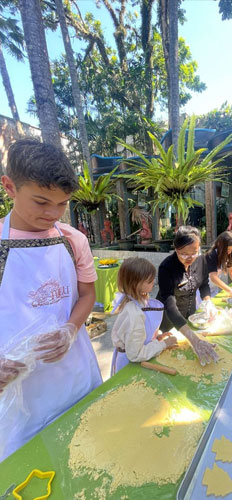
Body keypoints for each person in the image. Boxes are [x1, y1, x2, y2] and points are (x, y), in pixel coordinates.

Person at [0, 139, 102, 460]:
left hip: (75, 376)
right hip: (20, 395)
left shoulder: (73, 241)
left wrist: (71, 328)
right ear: (9, 187)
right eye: (42, 202)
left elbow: (87, 294)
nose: (53, 214)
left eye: (62, 204)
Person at [155, 226, 219, 366]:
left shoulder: (201, 260)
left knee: (190, 359)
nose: (190, 258)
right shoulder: (166, 268)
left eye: (194, 252)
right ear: (176, 249)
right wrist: (194, 340)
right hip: (169, 320)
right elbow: (170, 306)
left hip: (190, 314)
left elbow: (203, 284)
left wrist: (208, 301)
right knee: (174, 359)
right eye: (184, 254)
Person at [110, 258, 177, 375]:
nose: (154, 282)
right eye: (150, 281)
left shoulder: (139, 300)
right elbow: (136, 354)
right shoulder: (134, 313)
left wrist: (156, 338)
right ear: (136, 284)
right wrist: (163, 345)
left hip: (136, 355)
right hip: (130, 364)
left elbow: (138, 336)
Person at [205, 231, 232, 298]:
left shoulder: (226, 254)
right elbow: (213, 277)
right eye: (228, 249)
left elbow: (231, 270)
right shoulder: (211, 255)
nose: (230, 252)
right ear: (220, 245)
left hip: (214, 290)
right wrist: (231, 291)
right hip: (203, 291)